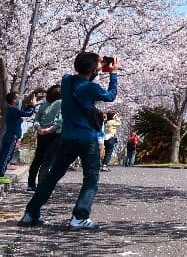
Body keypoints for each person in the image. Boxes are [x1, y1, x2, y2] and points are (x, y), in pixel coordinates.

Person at [19, 52, 119, 230]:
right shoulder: (92, 89)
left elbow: (83, 78)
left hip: (67, 138)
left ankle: (30, 213)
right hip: (87, 139)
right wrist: (113, 73)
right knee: (91, 178)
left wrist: (96, 67)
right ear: (93, 68)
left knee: (52, 176)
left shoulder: (66, 81)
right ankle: (79, 217)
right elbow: (110, 96)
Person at [27, 85, 62, 191]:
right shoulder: (61, 103)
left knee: (38, 159)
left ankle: (31, 184)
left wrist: (39, 129)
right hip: (54, 134)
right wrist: (49, 129)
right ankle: (42, 185)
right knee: (48, 160)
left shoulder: (44, 104)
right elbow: (60, 121)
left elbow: (36, 119)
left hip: (41, 134)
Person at [0, 90, 39, 177]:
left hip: (9, 135)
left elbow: (23, 112)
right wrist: (33, 106)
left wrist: (29, 106)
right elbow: (28, 114)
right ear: (14, 100)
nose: (19, 100)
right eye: (18, 98)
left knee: (3, 155)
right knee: (7, 156)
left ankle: (1, 173)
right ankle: (1, 175)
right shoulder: (13, 110)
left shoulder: (11, 110)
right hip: (12, 137)